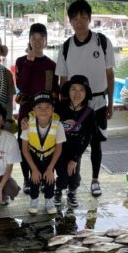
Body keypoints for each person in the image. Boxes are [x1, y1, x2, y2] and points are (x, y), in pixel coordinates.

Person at [55, 0, 115, 197]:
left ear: (89, 19)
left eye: (83, 17)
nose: (79, 21)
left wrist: (111, 104)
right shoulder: (65, 47)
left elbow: (109, 74)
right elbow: (63, 79)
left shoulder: (102, 42)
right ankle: (73, 183)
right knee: (73, 141)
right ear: (70, 21)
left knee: (95, 142)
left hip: (98, 101)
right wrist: (62, 107)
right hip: (73, 104)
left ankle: (95, 180)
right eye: (75, 18)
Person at [15, 23, 59, 194]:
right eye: (34, 38)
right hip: (26, 109)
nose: (38, 42)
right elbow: (22, 86)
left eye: (41, 39)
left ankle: (46, 175)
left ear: (46, 42)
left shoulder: (51, 65)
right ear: (29, 41)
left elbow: (54, 90)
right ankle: (27, 178)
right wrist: (30, 61)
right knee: (24, 144)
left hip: (46, 112)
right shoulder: (21, 61)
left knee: (46, 143)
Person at [21, 91, 65, 215]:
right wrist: (34, 169)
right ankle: (34, 201)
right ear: (33, 109)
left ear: (52, 110)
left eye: (47, 107)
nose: (43, 110)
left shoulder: (58, 125)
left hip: (49, 157)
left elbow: (59, 148)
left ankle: (49, 200)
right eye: (39, 107)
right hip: (33, 157)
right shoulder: (27, 124)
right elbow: (24, 149)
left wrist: (51, 168)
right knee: (34, 179)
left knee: (50, 179)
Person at [55, 75, 96, 208]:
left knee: (73, 175)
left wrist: (75, 158)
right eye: (73, 89)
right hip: (59, 148)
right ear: (68, 91)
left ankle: (72, 192)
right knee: (61, 174)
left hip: (76, 150)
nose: (77, 93)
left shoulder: (89, 113)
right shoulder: (59, 107)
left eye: (81, 90)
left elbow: (88, 138)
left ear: (86, 93)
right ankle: (58, 191)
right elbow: (48, 125)